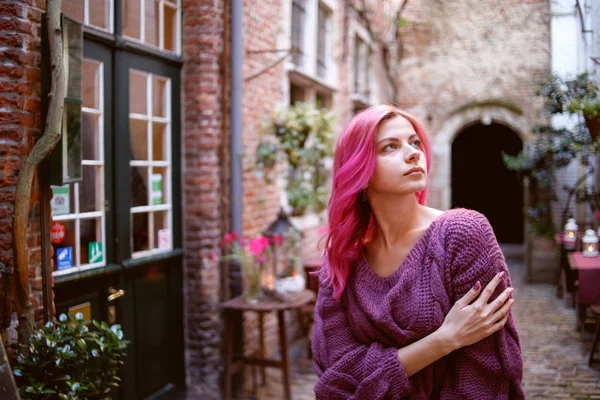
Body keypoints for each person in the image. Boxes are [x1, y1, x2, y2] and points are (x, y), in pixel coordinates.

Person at [311, 105, 525, 399]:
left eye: (414, 143)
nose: (414, 153)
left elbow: (486, 374)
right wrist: (442, 341)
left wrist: (380, 368)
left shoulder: (461, 233)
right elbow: (336, 377)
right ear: (359, 168)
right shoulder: (343, 256)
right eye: (390, 147)